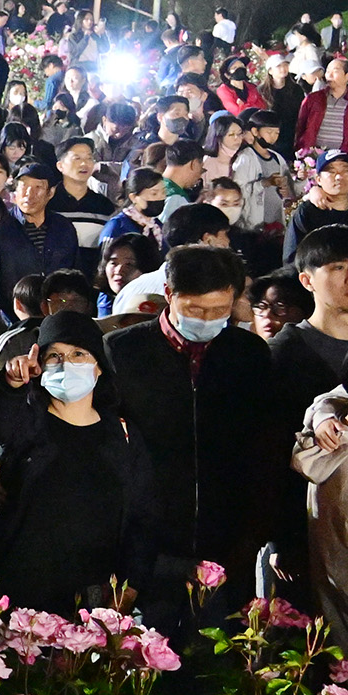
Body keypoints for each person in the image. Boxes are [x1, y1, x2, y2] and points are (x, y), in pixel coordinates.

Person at [104, 244, 285, 607]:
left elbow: (266, 443)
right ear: (169, 295)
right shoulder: (122, 351)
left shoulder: (248, 354)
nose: (207, 320)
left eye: (220, 310)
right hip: (145, 543)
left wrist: (256, 530)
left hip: (230, 537)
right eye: (195, 310)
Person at [0, 313, 158, 614]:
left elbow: (143, 514)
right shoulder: (28, 424)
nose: (66, 363)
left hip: (90, 598)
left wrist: (132, 583)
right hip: (20, 592)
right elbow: (1, 421)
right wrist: (11, 383)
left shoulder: (123, 434)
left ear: (99, 366)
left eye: (79, 354)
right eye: (54, 356)